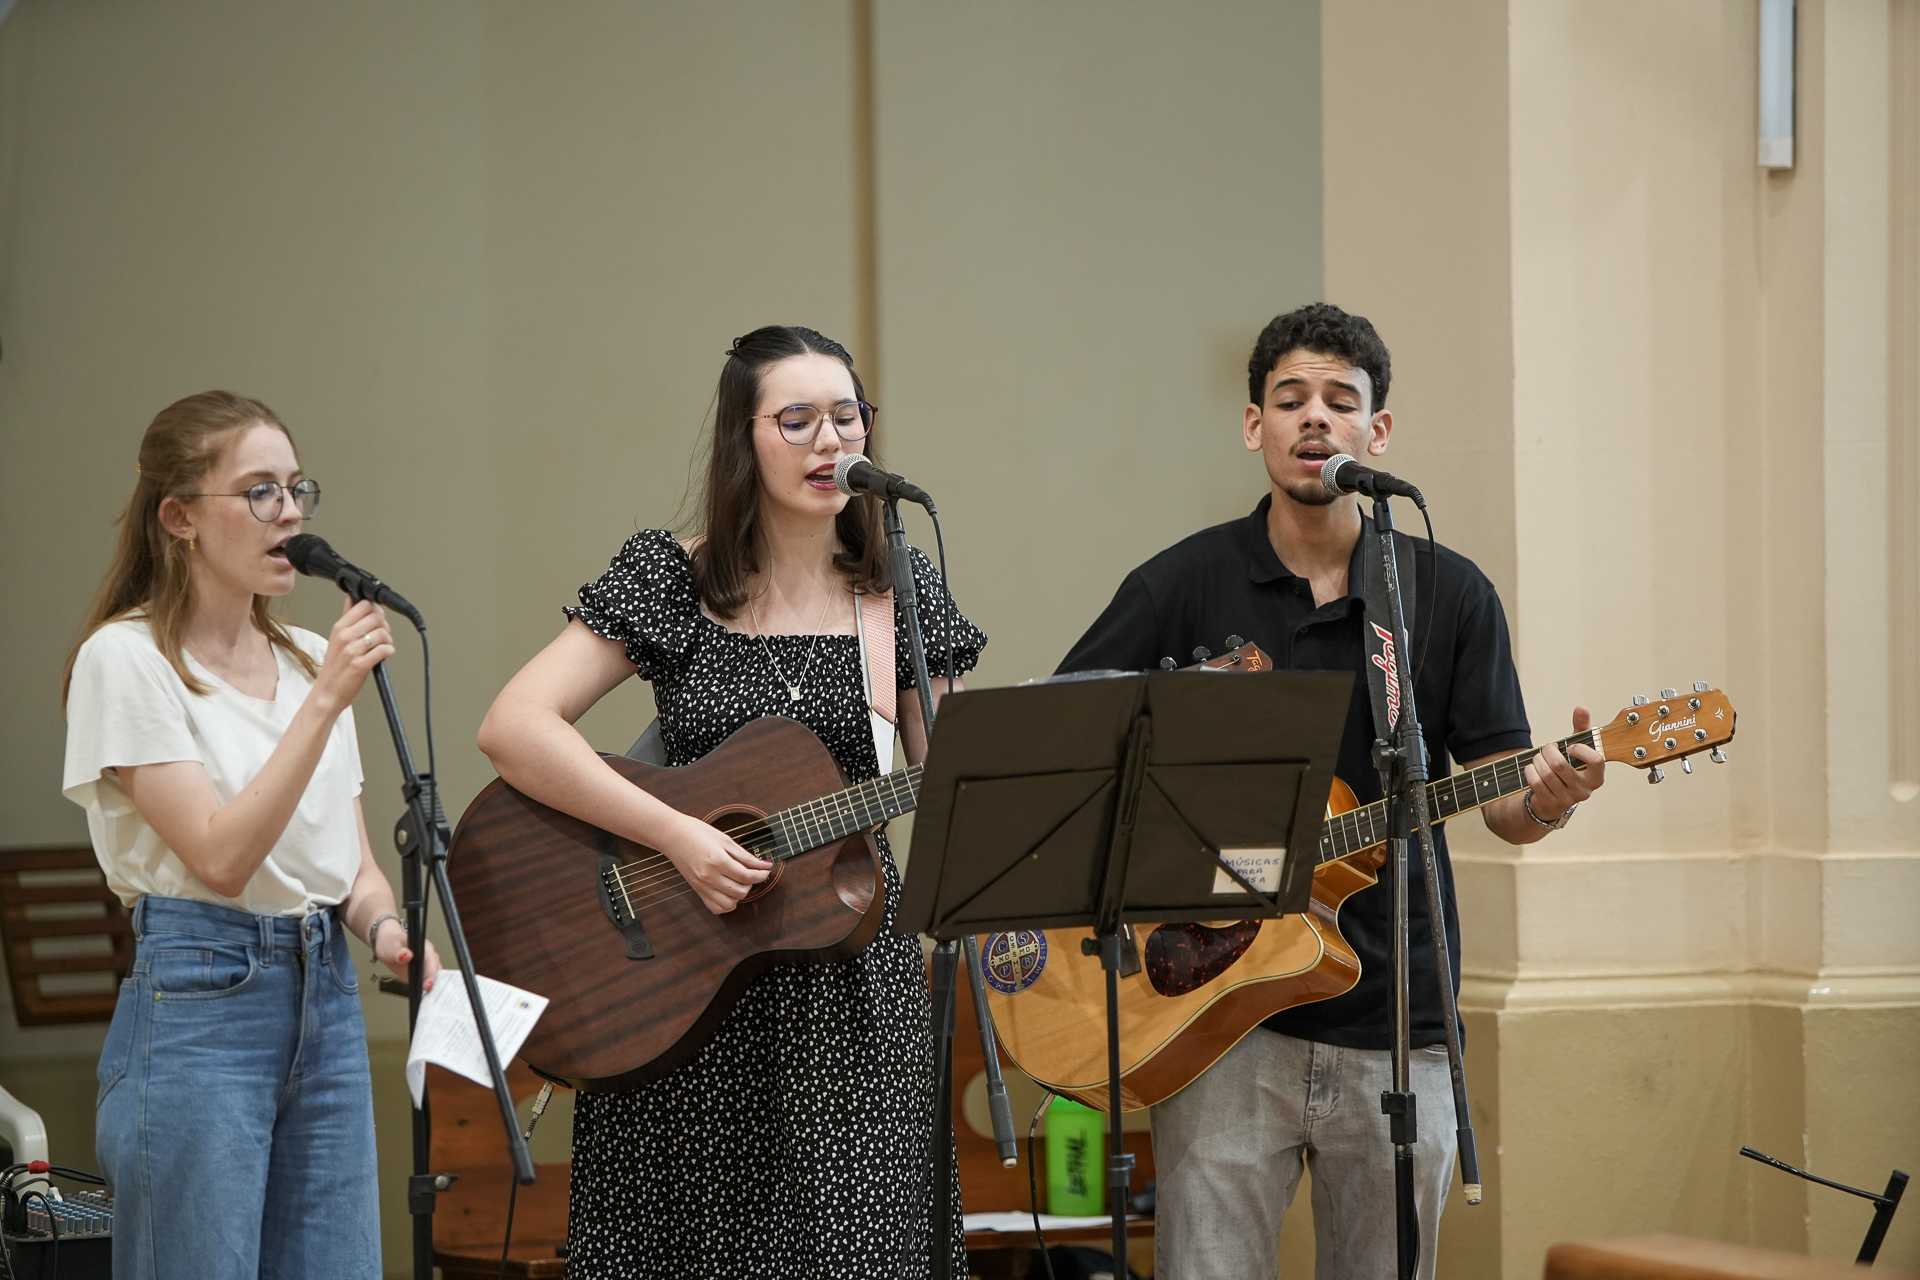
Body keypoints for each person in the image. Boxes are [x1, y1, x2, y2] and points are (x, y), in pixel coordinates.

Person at [1056, 304, 1606, 1279]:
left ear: (1376, 431)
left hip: (1397, 1015)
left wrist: (1553, 795)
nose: (1315, 417)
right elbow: (1069, 751)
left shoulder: (1446, 592)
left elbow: (1504, 805)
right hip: (1213, 1017)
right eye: (1290, 398)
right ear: (1254, 424)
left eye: (1341, 401)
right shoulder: (1178, 585)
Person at [477, 325, 983, 1279]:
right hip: (676, 983)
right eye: (797, 420)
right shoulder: (673, 577)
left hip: (847, 993)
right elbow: (515, 726)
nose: (831, 441)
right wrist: (677, 835)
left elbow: (954, 776)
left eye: (848, 417)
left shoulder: (897, 590)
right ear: (741, 438)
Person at [61, 390, 442, 1280]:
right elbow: (220, 857)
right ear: (180, 517)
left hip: (327, 997)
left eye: (297, 487)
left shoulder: (308, 657)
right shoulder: (127, 659)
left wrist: (387, 929)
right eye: (260, 491)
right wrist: (326, 702)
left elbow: (350, 865)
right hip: (202, 999)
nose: (292, 513)